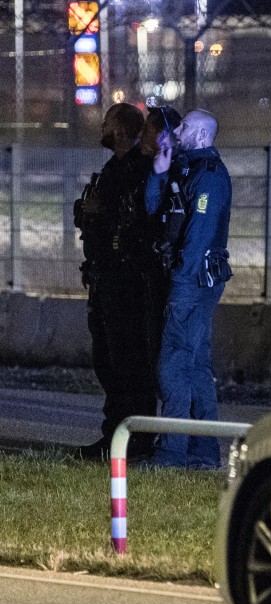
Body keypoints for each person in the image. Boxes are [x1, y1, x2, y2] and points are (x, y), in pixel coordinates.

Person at [145, 109, 233, 469]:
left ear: (199, 135)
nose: (176, 131)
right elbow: (155, 209)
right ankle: (203, 453)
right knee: (195, 366)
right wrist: (159, 174)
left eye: (183, 127)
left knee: (172, 365)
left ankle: (171, 452)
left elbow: (198, 236)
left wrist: (179, 280)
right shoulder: (185, 169)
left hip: (193, 282)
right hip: (190, 280)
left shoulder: (209, 177)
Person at [74, 103, 162, 461]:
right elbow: (91, 213)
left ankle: (135, 441)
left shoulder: (138, 171)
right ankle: (114, 436)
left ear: (122, 130)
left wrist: (100, 215)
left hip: (126, 281)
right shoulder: (113, 169)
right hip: (104, 278)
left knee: (129, 364)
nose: (103, 128)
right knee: (108, 363)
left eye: (108, 122)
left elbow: (135, 222)